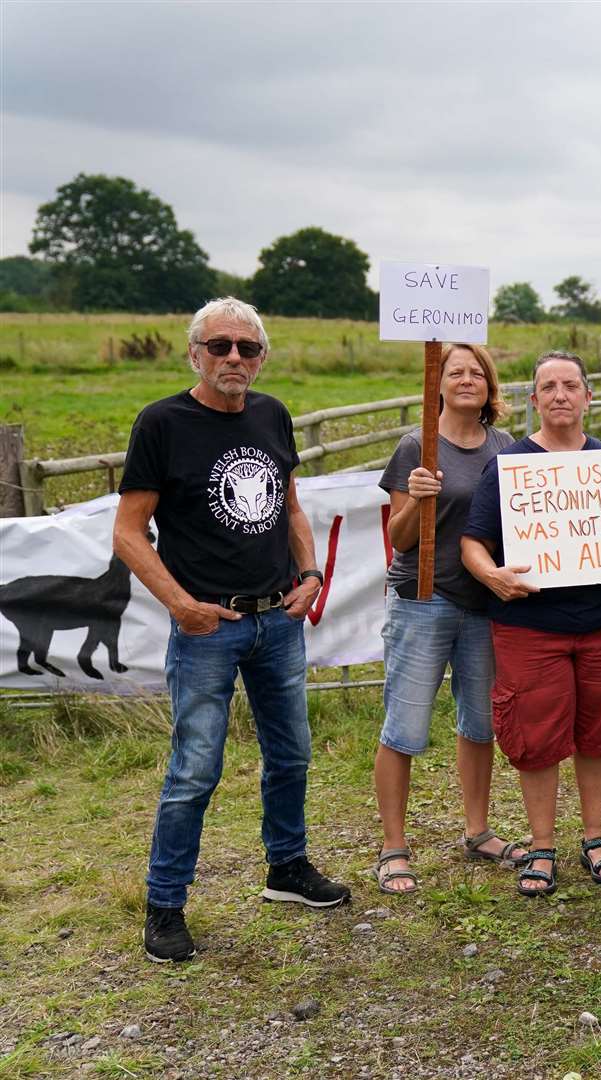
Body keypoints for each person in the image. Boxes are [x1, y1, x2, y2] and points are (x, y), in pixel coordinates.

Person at [113, 297, 349, 963]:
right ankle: (164, 905)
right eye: (220, 346)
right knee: (195, 768)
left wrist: (309, 573)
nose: (234, 359)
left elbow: (292, 506)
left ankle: (287, 868)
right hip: (206, 626)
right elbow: (128, 533)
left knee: (292, 754)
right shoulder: (162, 423)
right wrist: (180, 605)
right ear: (195, 353)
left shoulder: (272, 415)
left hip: (277, 618)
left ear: (262, 357)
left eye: (247, 348)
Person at [461, 351, 601, 894]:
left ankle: (596, 834)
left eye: (570, 386)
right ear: (533, 400)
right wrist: (493, 578)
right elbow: (473, 543)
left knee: (599, 730)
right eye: (548, 387)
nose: (560, 395)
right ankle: (542, 845)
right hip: (530, 625)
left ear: (588, 396)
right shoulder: (508, 466)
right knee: (535, 734)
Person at [372, 343, 522, 894]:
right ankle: (392, 847)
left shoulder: (506, 448)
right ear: (436, 384)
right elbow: (398, 539)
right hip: (423, 598)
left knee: (479, 723)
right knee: (405, 726)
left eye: (475, 372)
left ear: (489, 384)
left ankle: (477, 830)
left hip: (484, 603)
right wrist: (415, 499)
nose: (465, 379)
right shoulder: (416, 445)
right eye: (454, 371)